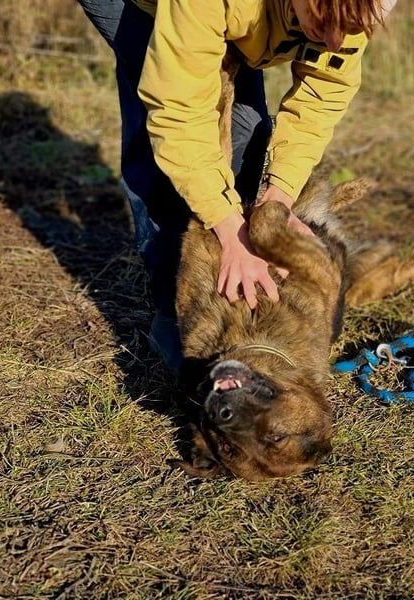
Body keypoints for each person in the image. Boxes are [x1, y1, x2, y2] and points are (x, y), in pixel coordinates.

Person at [76, 0, 396, 371]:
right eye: (324, 22)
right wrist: (229, 230)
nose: (334, 40)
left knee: (248, 131)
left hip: (237, 15)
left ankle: (235, 296)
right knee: (160, 148)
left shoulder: (347, 14)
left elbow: (320, 100)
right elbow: (177, 115)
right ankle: (170, 304)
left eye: (351, 28)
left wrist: (278, 202)